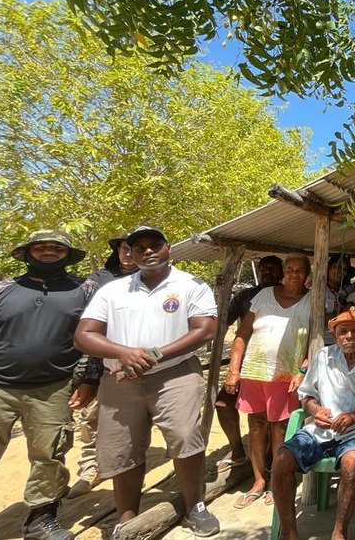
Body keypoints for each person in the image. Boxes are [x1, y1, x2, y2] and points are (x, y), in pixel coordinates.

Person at [75, 225, 220, 536]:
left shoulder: (191, 285)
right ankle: (127, 516)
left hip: (175, 374)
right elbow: (83, 335)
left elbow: (204, 329)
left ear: (168, 248)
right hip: (120, 379)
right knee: (121, 449)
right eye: (139, 248)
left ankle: (195, 505)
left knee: (185, 438)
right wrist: (124, 353)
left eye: (155, 244)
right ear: (130, 253)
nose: (148, 251)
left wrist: (151, 355)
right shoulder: (112, 290)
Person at [0, 231, 99, 540]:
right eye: (41, 247)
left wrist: (90, 378)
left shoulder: (86, 291)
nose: (49, 251)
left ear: (67, 254)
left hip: (53, 388)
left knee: (49, 457)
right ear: (27, 253)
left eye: (56, 247)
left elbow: (96, 338)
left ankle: (40, 521)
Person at [269, 307, 355, 540]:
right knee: (281, 459)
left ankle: (339, 531)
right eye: (343, 331)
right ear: (335, 334)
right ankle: (289, 532)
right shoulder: (323, 356)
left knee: (352, 463)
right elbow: (306, 395)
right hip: (322, 430)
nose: (349, 336)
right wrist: (315, 410)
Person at [224, 254, 311, 508]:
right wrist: (233, 369)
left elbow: (315, 340)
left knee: (280, 429)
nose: (294, 273)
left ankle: (277, 480)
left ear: (307, 274)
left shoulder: (311, 301)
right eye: (290, 269)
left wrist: (302, 369)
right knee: (257, 426)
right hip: (253, 372)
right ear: (285, 271)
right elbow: (242, 333)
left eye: (299, 270)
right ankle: (259, 480)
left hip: (285, 375)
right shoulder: (264, 295)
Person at [70, 234, 138, 500]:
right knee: (91, 415)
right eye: (124, 249)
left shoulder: (152, 278)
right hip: (99, 358)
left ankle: (125, 462)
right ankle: (90, 468)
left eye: (133, 250)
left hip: (141, 357)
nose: (128, 255)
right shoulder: (99, 281)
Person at [215, 254, 285, 473]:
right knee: (223, 404)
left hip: (276, 368)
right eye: (264, 268)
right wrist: (221, 293)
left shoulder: (287, 295)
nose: (268, 272)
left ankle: (270, 460)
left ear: (281, 273)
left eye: (273, 269)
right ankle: (237, 449)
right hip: (246, 365)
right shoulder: (245, 296)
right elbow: (223, 320)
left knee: (269, 418)